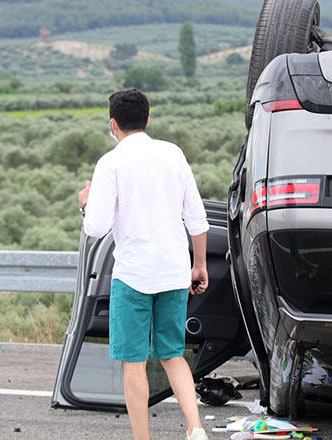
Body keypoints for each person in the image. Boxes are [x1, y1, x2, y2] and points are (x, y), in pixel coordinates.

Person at [77, 88, 210, 440]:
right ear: (148, 119)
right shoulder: (173, 154)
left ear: (113, 124)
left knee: (134, 362)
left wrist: (85, 202)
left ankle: (142, 438)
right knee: (173, 354)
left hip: (133, 275)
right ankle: (196, 428)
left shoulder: (111, 162)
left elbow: (96, 227)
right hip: (173, 270)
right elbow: (196, 219)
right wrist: (199, 266)